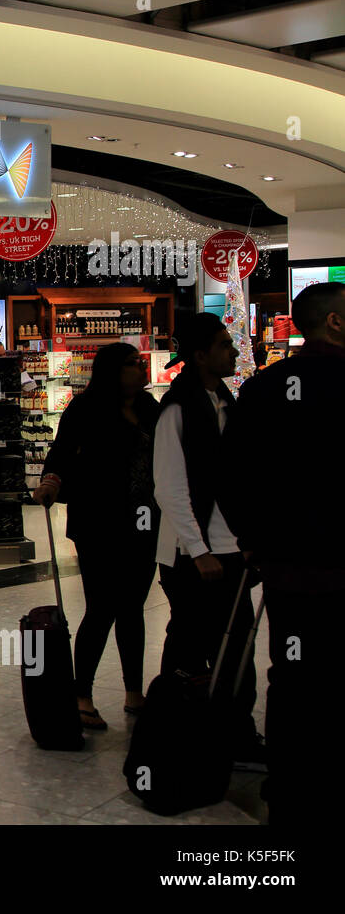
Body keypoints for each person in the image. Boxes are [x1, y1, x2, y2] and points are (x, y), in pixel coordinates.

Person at [224, 281, 345, 824]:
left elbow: (231, 475)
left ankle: (291, 783)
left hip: (288, 566)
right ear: (335, 323)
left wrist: (253, 539)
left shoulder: (264, 389)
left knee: (292, 672)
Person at [153, 312, 264, 770]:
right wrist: (199, 552)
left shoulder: (225, 404)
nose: (234, 351)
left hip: (228, 545)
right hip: (191, 553)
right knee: (188, 642)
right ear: (200, 355)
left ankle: (231, 729)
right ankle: (175, 729)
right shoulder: (177, 410)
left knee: (236, 643)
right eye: (224, 345)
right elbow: (169, 486)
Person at [33, 343, 160, 729]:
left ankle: (133, 691)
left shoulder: (151, 409)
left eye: (140, 364)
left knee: (133, 608)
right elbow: (60, 454)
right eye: (131, 365)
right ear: (111, 371)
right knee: (102, 607)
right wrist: (51, 483)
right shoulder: (85, 409)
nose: (141, 370)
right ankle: (81, 693)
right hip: (98, 521)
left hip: (143, 520)